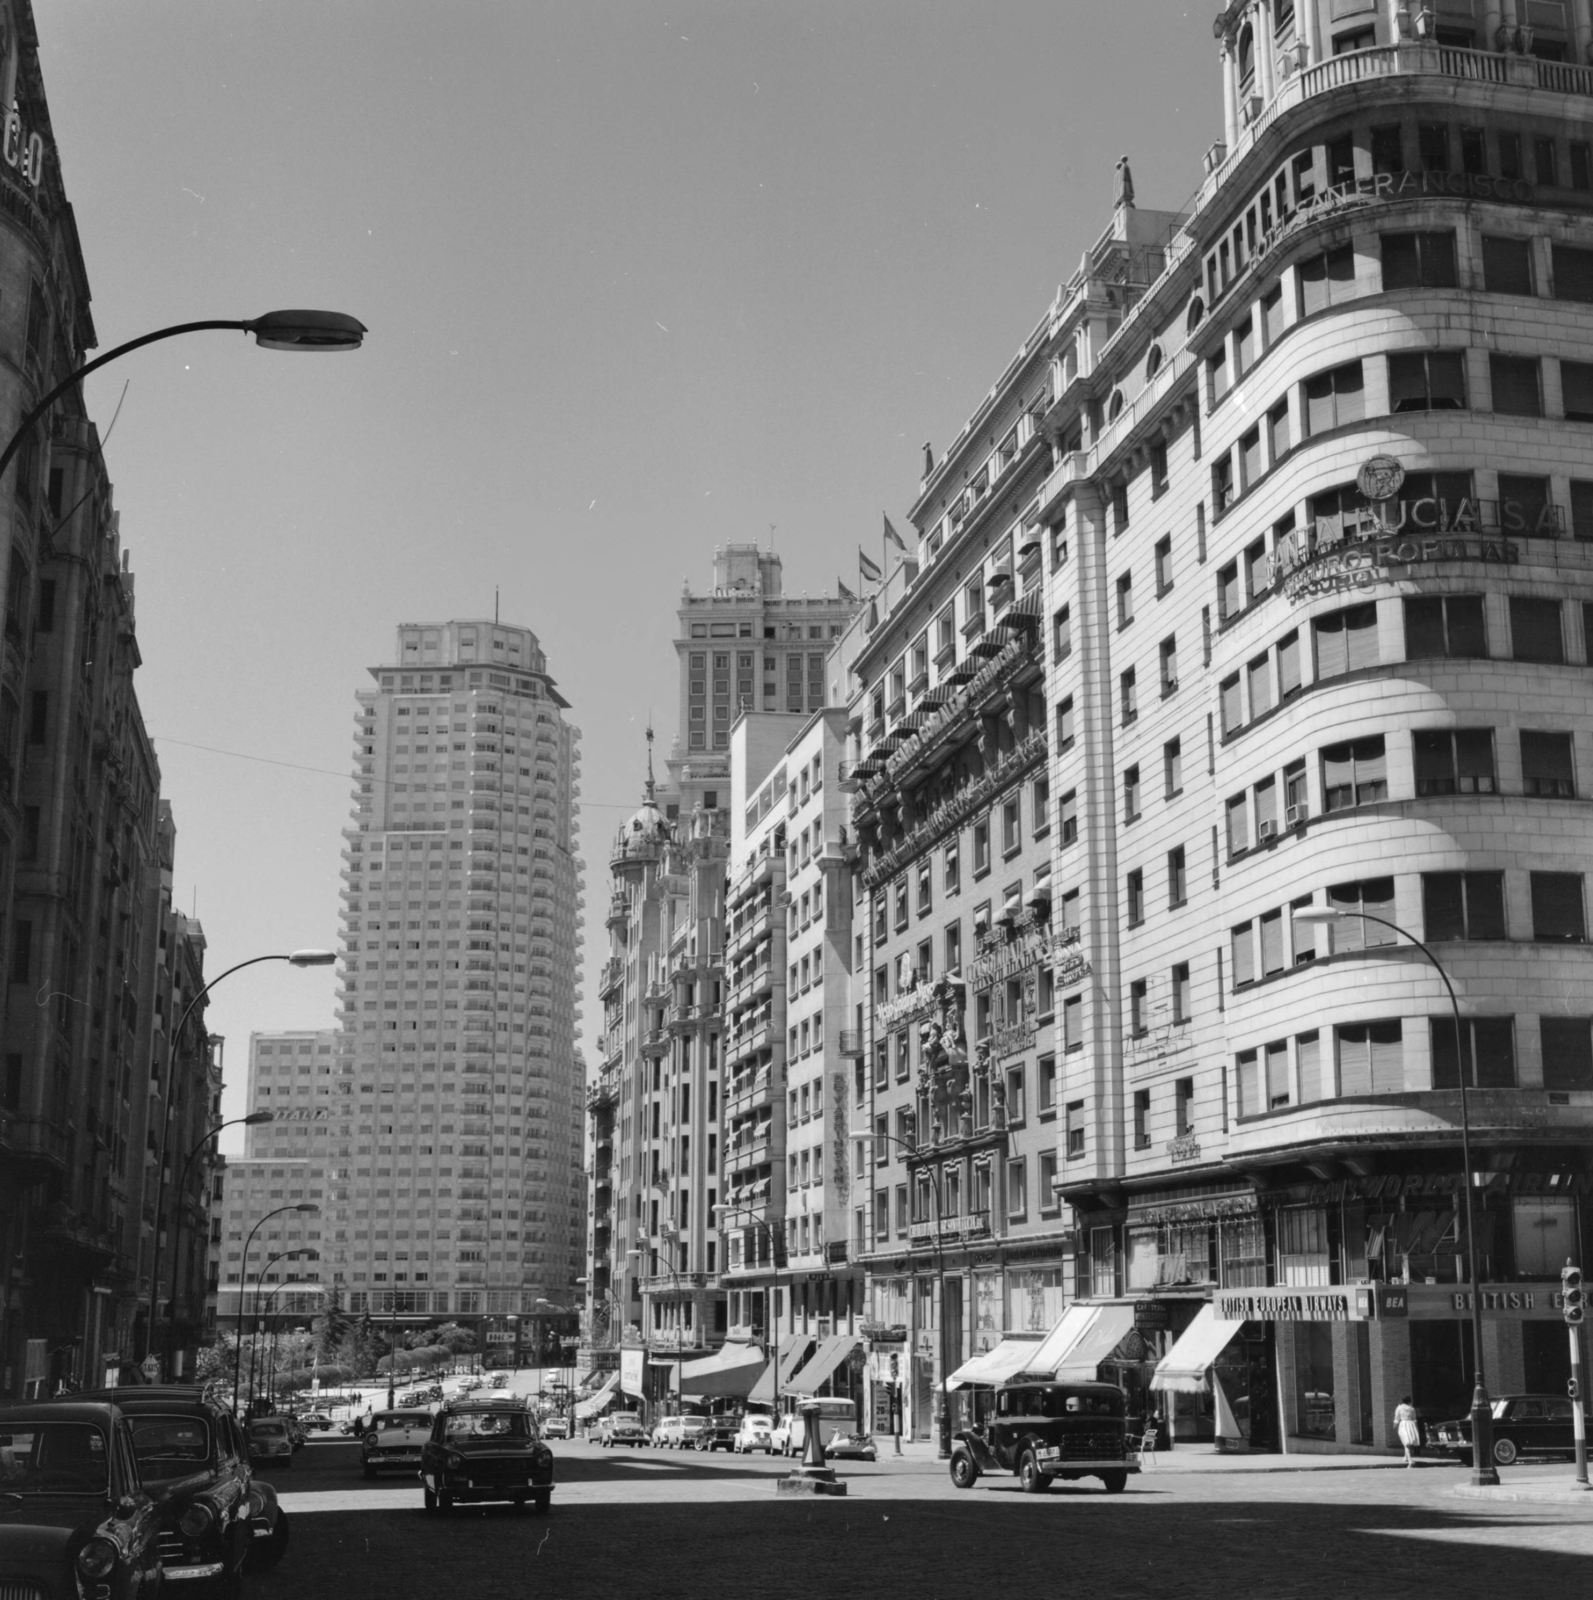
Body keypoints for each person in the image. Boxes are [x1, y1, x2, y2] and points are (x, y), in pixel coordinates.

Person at [1394, 1395, 1421, 1466]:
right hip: (1411, 1425)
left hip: (1403, 1424)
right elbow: (1414, 1419)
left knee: (1406, 1443)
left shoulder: (1399, 1408)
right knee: (1407, 1441)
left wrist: (1395, 1425)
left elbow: (1397, 1418)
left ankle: (1410, 1460)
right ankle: (1406, 1457)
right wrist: (1416, 1428)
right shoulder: (1412, 1408)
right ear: (1409, 1401)